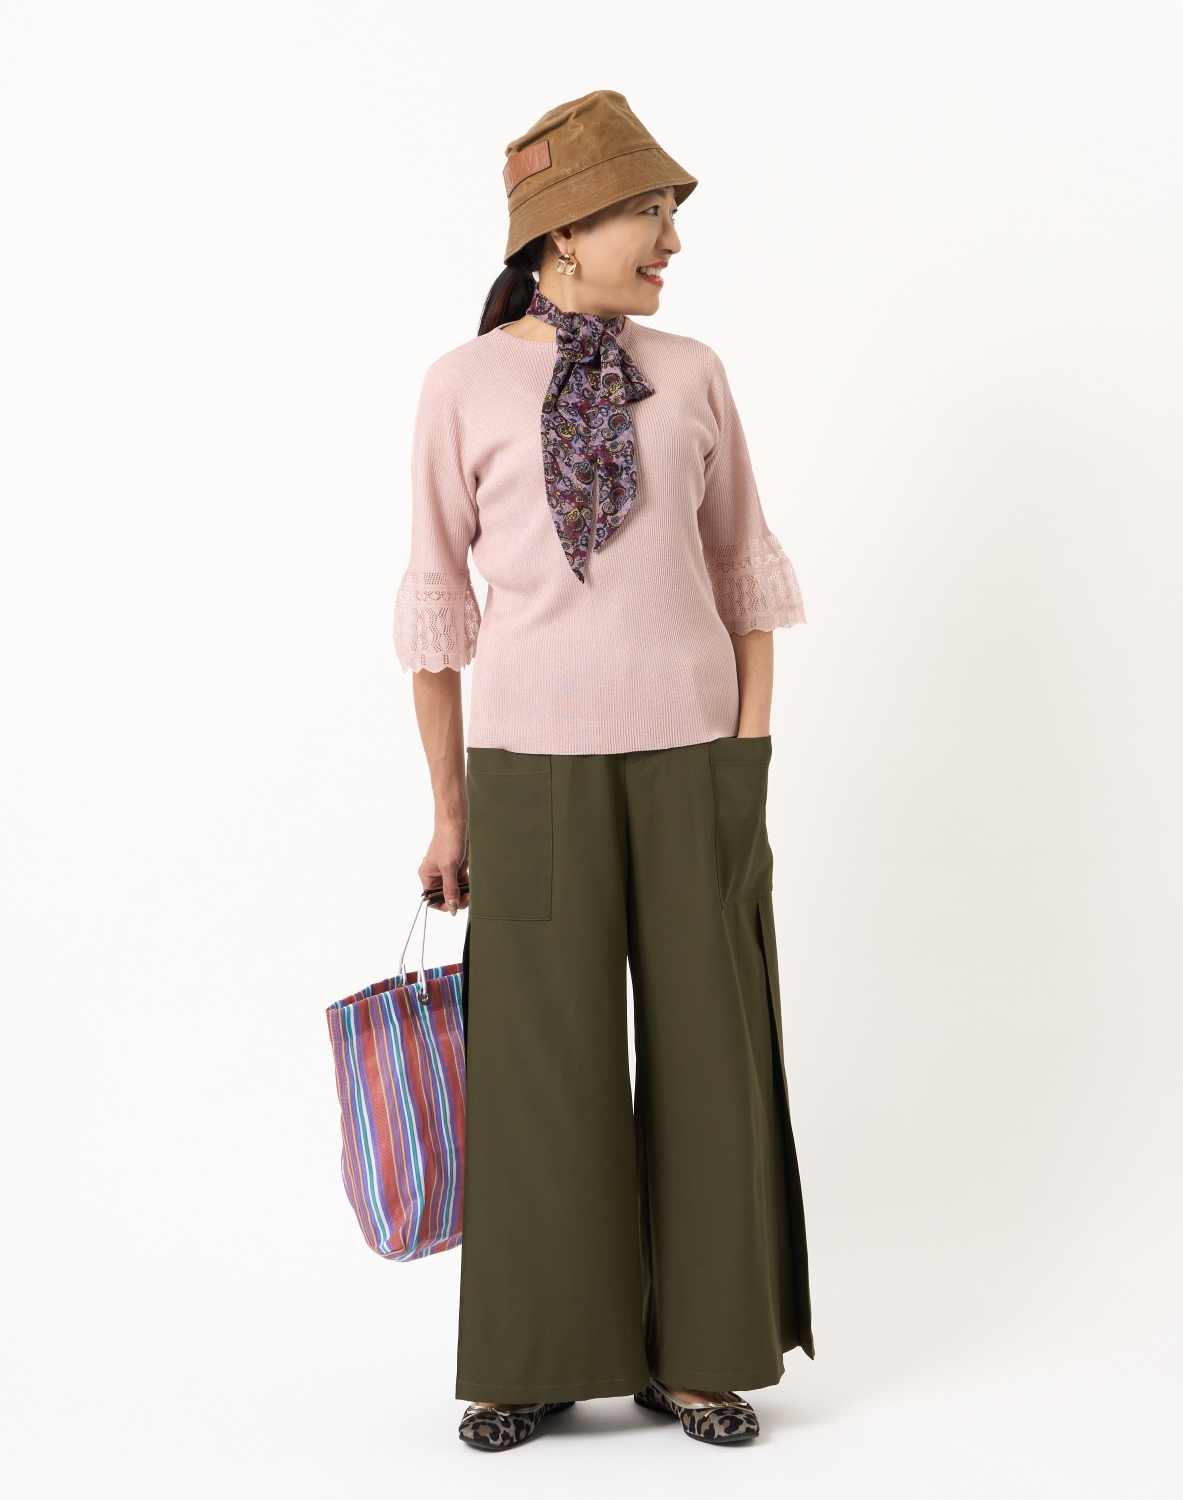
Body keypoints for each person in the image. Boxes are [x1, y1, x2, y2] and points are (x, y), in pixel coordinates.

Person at [395, 90, 813, 1450]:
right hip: (530, 772)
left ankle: (702, 1355)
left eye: (674, 213)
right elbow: (437, 610)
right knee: (542, 1069)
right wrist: (451, 809)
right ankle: (538, 1355)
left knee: (711, 1059)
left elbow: (744, 570)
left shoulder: (692, 373)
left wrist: (746, 755)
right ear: (562, 230)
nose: (672, 242)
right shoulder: (461, 386)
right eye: (650, 212)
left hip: (696, 763)